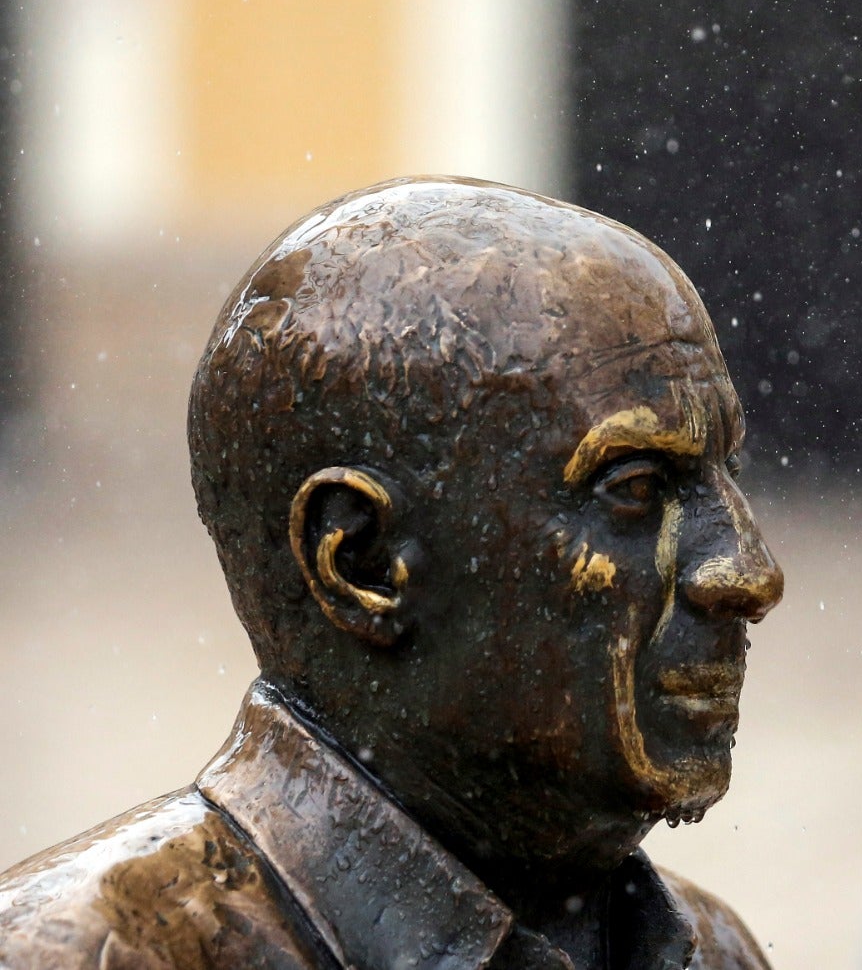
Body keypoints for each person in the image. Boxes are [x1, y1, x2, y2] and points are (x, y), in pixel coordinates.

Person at [0, 177, 784, 969]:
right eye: (638, 489)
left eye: (730, 473)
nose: (749, 573)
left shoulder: (710, 953)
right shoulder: (78, 955)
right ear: (362, 562)